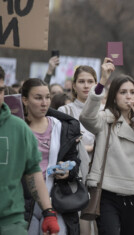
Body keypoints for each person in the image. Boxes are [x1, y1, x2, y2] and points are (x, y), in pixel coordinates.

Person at [79, 58, 134, 235]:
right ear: (114, 96)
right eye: (123, 92)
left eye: (132, 92)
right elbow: (87, 117)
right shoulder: (105, 119)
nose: (128, 96)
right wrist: (102, 81)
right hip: (107, 192)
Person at [0, 68, 60, 235]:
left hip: (11, 222)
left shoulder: (19, 128)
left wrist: (48, 212)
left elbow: (33, 173)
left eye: (0, 90)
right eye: (38, 97)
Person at [20, 78, 81, 235]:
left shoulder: (61, 127)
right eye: (38, 98)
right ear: (25, 100)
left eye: (47, 97)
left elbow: (75, 161)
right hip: (24, 201)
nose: (44, 103)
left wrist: (68, 171)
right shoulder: (17, 128)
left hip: (56, 199)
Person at [57, 66, 99, 235]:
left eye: (90, 81)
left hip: (100, 174)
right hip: (76, 174)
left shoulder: (104, 111)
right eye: (81, 81)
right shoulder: (65, 111)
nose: (86, 85)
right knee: (81, 224)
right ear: (74, 85)